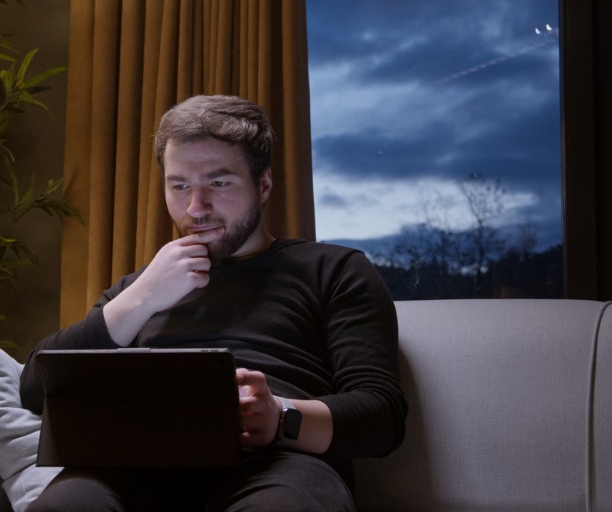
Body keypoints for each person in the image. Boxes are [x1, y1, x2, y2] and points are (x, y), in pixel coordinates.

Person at [20, 94, 407, 511]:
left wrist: (281, 417)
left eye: (219, 183)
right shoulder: (141, 287)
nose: (195, 207)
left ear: (264, 185)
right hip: (131, 469)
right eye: (179, 185)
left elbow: (380, 416)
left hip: (280, 464)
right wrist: (142, 297)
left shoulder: (333, 269)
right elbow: (35, 390)